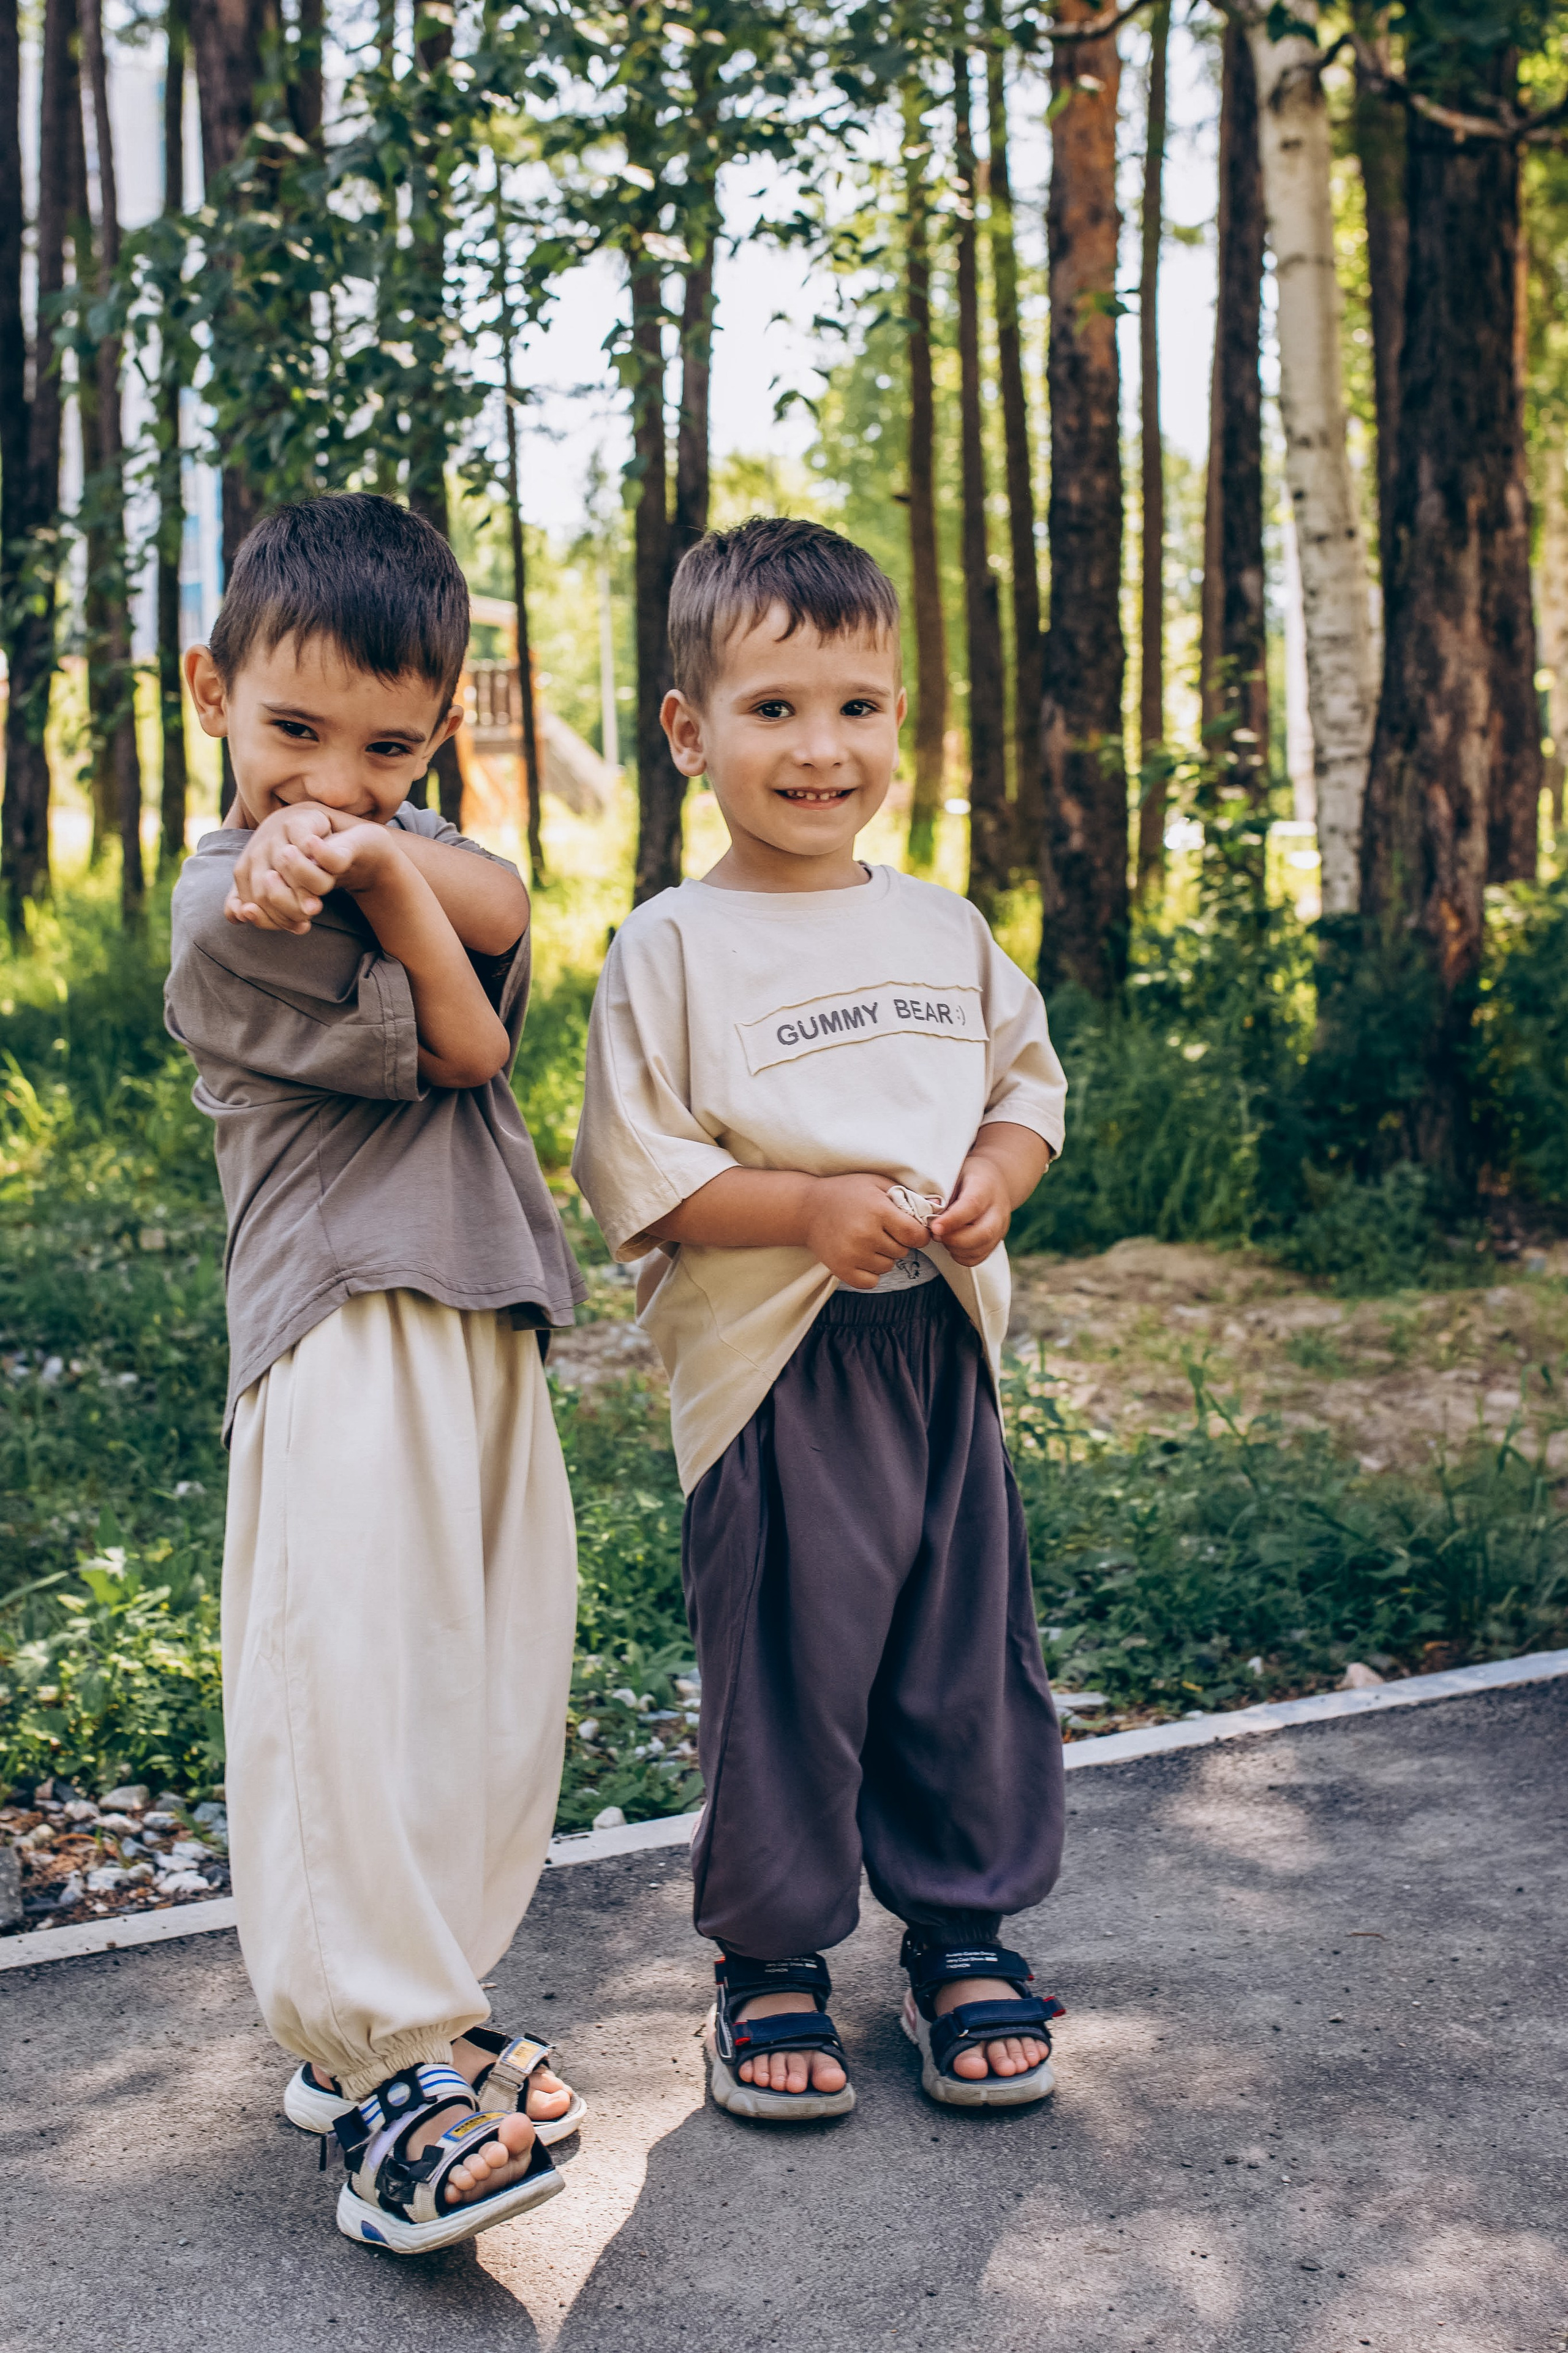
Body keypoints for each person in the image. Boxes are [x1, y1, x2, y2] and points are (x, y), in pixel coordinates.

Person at [571, 516, 1069, 2122]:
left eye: (856, 705)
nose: (819, 746)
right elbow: (638, 1172)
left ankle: (962, 1929)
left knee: (960, 1655)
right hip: (776, 1378)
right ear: (688, 728)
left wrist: (995, 1168)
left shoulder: (944, 928)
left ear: (898, 721)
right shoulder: (672, 947)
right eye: (775, 707)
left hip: (940, 1358)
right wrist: (803, 1208)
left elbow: (1024, 1086)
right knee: (788, 1664)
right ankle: (770, 1959)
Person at [165, 494, 587, 2253]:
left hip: (479, 1304)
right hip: (343, 1318)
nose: (334, 780)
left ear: (444, 727)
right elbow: (476, 1034)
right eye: (294, 734)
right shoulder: (219, 909)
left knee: (486, 1681)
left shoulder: (394, 847)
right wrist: (371, 862)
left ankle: (421, 2006)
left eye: (389, 747)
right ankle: (379, 2062)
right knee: (346, 1680)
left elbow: (509, 912)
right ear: (209, 691)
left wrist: (389, 855)